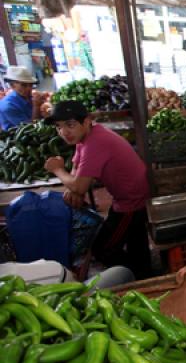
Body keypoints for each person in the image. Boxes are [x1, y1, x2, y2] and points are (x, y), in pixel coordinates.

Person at [43, 101, 152, 279]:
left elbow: (79, 184)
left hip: (131, 201)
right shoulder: (87, 136)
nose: (64, 132)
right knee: (136, 242)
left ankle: (134, 276)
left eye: (70, 125)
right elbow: (77, 165)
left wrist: (57, 169)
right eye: (59, 127)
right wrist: (75, 191)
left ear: (86, 121)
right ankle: (144, 273)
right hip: (130, 195)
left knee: (103, 248)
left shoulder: (96, 142)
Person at [0, 66, 42, 130]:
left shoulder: (29, 96)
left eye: (31, 85)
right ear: (12, 85)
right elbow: (31, 129)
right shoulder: (7, 106)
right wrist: (36, 106)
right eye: (24, 85)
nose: (29, 88)